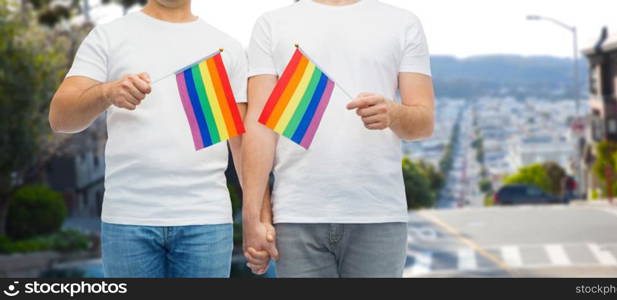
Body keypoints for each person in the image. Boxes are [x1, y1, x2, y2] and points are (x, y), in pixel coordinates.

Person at [49, 0, 255, 277]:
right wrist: (106, 92)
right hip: (127, 220)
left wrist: (257, 217)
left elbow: (242, 143)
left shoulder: (225, 47)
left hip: (206, 220)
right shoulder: (108, 36)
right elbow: (60, 118)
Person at [241, 0, 435, 277]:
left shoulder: (403, 23)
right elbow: (260, 126)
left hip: (378, 215)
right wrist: (253, 217)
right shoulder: (272, 24)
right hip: (297, 215)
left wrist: (393, 113)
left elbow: (424, 123)